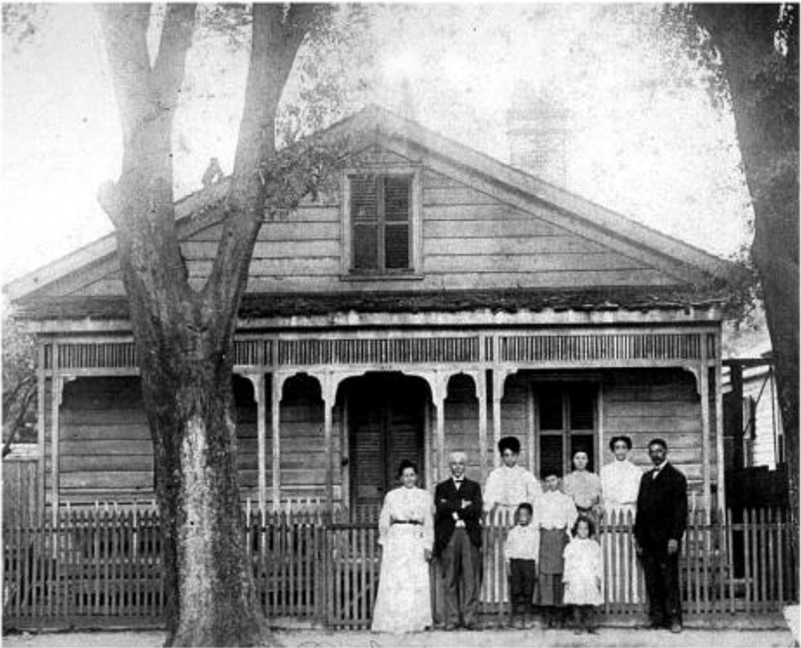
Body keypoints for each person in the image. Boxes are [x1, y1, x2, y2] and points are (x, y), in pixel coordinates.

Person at [371, 460, 434, 633]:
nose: (409, 479)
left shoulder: (424, 495)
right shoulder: (392, 496)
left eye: (412, 475)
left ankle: (415, 622)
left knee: (416, 579)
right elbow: (384, 521)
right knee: (398, 580)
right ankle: (395, 622)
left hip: (416, 538)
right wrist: (385, 542)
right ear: (400, 478)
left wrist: (428, 545)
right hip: (397, 539)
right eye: (405, 475)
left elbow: (428, 522)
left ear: (417, 477)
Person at [633, 438, 688, 634]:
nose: (655, 454)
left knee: (669, 580)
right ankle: (657, 618)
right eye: (652, 452)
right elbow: (640, 510)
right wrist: (638, 538)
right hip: (647, 540)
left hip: (666, 541)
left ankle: (674, 619)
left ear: (666, 452)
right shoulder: (646, 478)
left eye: (659, 451)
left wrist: (675, 537)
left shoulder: (676, 478)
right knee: (653, 580)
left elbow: (680, 512)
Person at [434, 451, 483, 630]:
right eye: (454, 463)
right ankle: (452, 619)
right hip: (449, 535)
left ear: (465, 466)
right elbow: (440, 508)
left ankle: (470, 618)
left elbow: (476, 509)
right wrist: (462, 505)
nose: (457, 466)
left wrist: (452, 508)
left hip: (469, 534)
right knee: (450, 578)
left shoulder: (474, 486)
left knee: (470, 578)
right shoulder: (441, 487)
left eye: (461, 463)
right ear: (450, 466)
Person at [600, 435, 643, 604]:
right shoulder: (605, 470)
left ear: (628, 450)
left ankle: (631, 595)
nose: (620, 451)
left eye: (623, 447)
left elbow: (639, 496)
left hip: (629, 511)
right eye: (617, 447)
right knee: (611, 553)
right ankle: (611, 594)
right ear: (612, 450)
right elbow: (603, 496)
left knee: (630, 554)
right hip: (611, 511)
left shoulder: (636, 471)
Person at [533, 468, 577, 628]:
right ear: (544, 483)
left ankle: (560, 616)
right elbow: (535, 523)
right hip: (545, 539)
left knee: (560, 576)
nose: (551, 483)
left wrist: (571, 540)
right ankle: (547, 617)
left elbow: (572, 521)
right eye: (548, 480)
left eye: (554, 480)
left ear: (559, 480)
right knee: (546, 578)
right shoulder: (540, 500)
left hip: (560, 540)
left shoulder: (566, 500)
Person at [563, 516, 603, 635]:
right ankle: (578, 626)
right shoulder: (571, 546)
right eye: (580, 528)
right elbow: (568, 564)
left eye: (586, 529)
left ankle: (590, 626)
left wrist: (597, 576)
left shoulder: (594, 545)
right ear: (576, 530)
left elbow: (598, 563)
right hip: (576, 577)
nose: (583, 531)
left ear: (589, 530)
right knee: (577, 603)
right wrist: (567, 579)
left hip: (589, 576)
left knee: (589, 602)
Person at [503, 502, 540, 629]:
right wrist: (508, 564)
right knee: (515, 590)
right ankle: (515, 617)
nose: (522, 517)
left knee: (528, 591)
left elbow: (536, 550)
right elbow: (507, 549)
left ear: (530, 516)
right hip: (516, 563)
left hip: (528, 563)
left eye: (525, 514)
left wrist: (535, 566)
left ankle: (527, 617)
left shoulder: (534, 533)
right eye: (520, 514)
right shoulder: (513, 532)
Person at [483, 436, 540, 516]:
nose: (510, 458)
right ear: (502, 457)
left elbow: (534, 496)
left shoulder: (526, 475)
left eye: (513, 455)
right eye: (506, 455)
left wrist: (525, 508)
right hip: (500, 515)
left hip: (520, 515)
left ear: (517, 455)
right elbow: (488, 497)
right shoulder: (495, 475)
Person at [562, 451, 602, 524]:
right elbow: (568, 498)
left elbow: (597, 497)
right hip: (574, 513)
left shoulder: (594, 477)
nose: (580, 461)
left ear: (587, 461)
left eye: (583, 458)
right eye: (577, 458)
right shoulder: (568, 478)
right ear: (573, 461)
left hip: (591, 513)